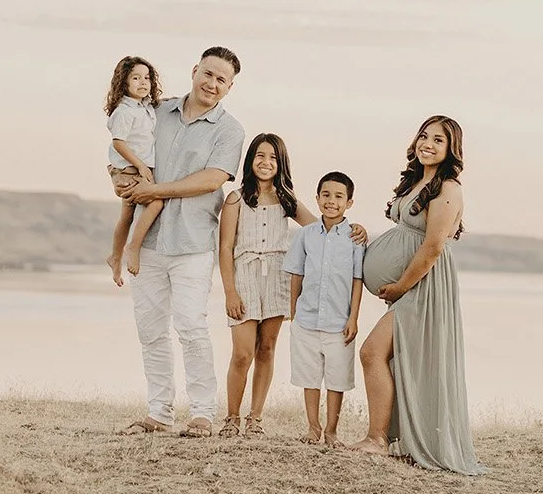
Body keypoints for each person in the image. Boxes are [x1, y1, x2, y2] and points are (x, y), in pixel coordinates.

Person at [116, 46, 246, 438]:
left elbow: (212, 179)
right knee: (150, 329)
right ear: (195, 70)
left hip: (192, 243)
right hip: (148, 240)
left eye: (222, 80)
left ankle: (203, 413)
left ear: (230, 87)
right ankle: (159, 412)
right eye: (208, 74)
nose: (212, 83)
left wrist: (157, 190)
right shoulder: (155, 112)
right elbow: (128, 151)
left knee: (191, 326)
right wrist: (126, 183)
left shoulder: (229, 130)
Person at [346, 115, 483, 475]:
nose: (428, 144)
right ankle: (393, 438)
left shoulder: (448, 188)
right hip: (409, 286)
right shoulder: (418, 181)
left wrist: (402, 285)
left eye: (438, 140)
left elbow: (434, 246)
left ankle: (377, 439)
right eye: (425, 136)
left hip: (425, 286)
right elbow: (404, 236)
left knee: (372, 351)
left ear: (451, 149)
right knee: (398, 360)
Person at [217, 137, 368, 438]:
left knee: (267, 348)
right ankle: (232, 417)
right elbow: (224, 248)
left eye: (273, 158)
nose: (265, 162)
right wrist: (230, 291)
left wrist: (354, 229)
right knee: (243, 352)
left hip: (277, 276)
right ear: (250, 160)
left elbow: (322, 226)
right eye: (259, 156)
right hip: (245, 275)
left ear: (281, 163)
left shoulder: (287, 200)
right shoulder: (235, 199)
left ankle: (255, 419)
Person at [283, 171, 365, 446]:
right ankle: (313, 427)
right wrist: (294, 313)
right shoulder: (306, 235)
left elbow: (357, 280)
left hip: (339, 323)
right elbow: (296, 274)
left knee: (337, 379)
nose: (332, 201)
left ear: (349, 203)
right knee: (309, 377)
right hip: (306, 320)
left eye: (339, 196)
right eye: (326, 195)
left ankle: (331, 430)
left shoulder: (355, 239)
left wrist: (353, 318)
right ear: (317, 199)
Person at [103, 56, 165, 287]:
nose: (143, 82)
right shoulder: (124, 111)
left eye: (147, 78)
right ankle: (133, 248)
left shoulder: (145, 107)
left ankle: (115, 256)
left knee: (127, 216)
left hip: (136, 169)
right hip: (129, 170)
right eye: (136, 78)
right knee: (157, 201)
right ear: (124, 83)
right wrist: (140, 165)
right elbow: (119, 142)